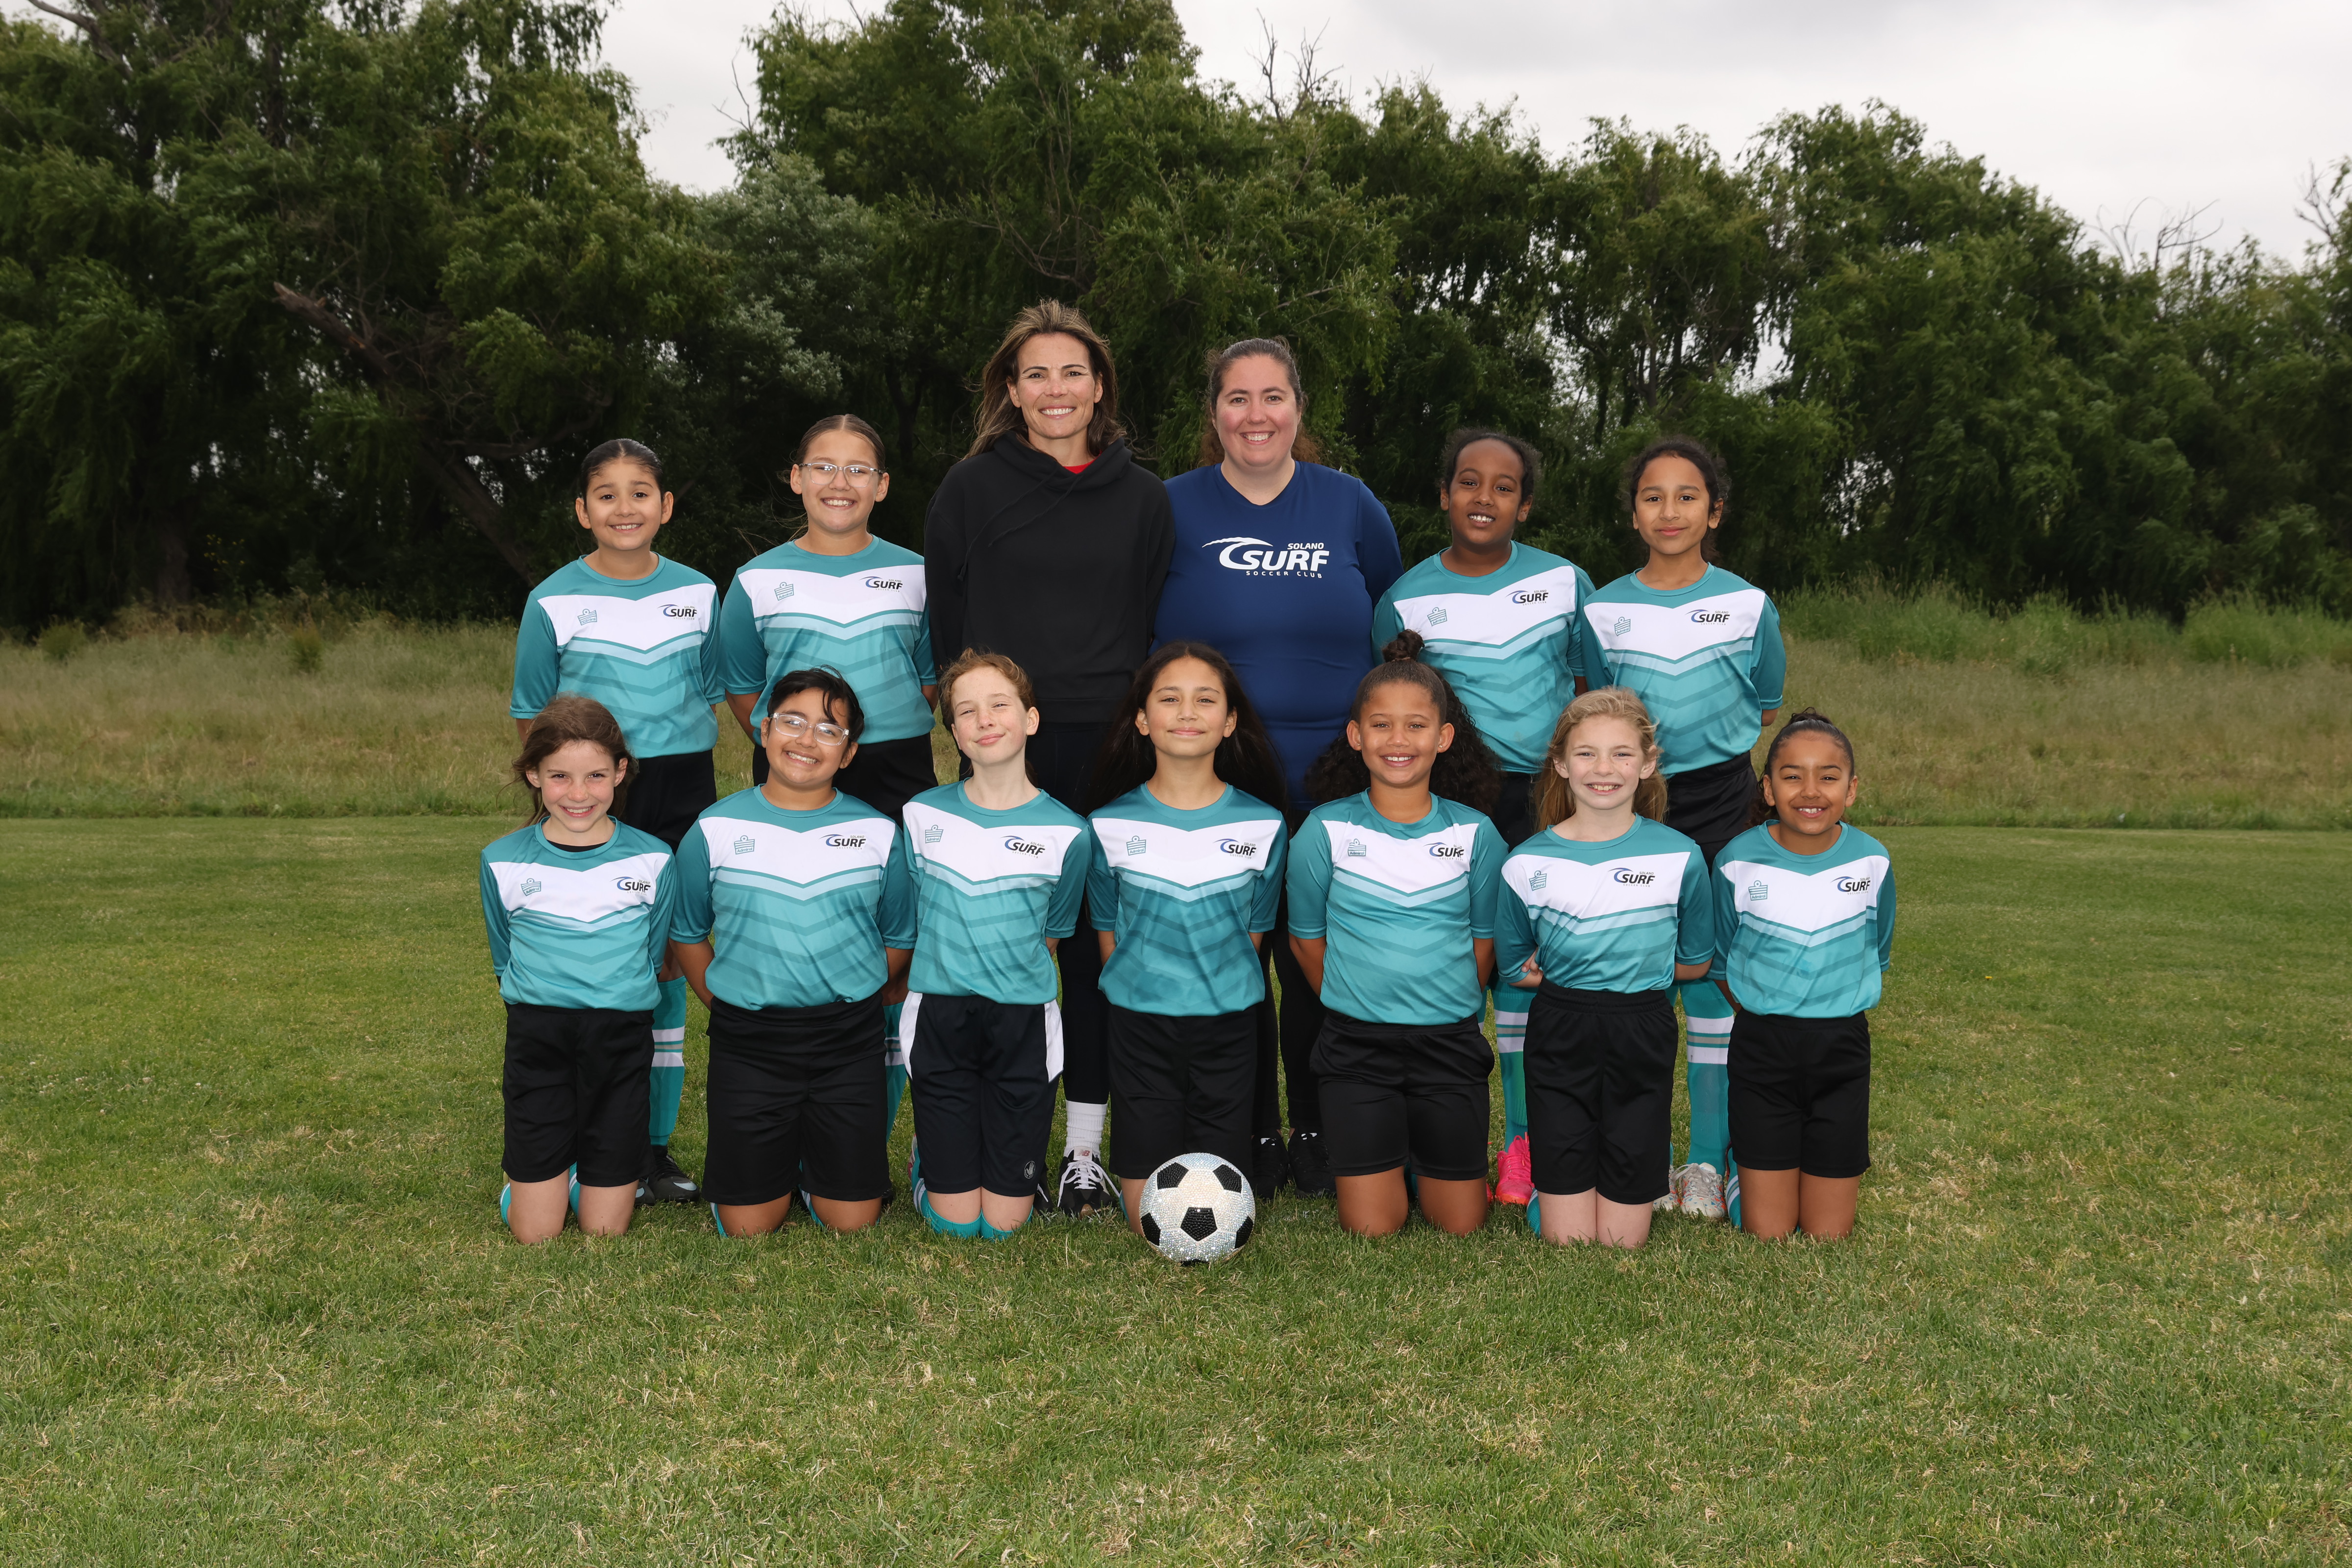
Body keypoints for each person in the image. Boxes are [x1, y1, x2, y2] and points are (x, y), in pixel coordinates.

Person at [924, 301, 1175, 1219]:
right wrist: (983, 723)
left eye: (1073, 372)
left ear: (1100, 387)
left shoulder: (1144, 497)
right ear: (1011, 389)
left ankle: (1083, 1153)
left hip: (1109, 747)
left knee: (1095, 950)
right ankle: (971, 1135)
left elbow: (1153, 621)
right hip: (1004, 748)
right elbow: (949, 634)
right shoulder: (969, 489)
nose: (1056, 389)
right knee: (992, 946)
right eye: (1036, 374)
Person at [1155, 338, 1402, 1201]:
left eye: (1273, 397)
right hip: (1215, 780)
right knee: (1233, 961)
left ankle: (1322, 1129)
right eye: (1237, 398)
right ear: (1213, 412)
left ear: (1299, 409)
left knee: (1316, 958)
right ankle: (1249, 1129)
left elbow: (1395, 634)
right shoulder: (1170, 507)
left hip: (1337, 782)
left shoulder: (1351, 506)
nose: (1255, 415)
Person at [1371, 429, 1597, 1209]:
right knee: (1453, 964)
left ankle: (1528, 1147)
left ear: (1524, 506)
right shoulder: (1404, 598)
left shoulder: (1566, 582)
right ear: (1445, 494)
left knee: (1532, 971)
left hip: (1545, 799)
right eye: (1469, 481)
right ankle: (1434, 1138)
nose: (1484, 497)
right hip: (1454, 803)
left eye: (1505, 487)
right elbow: (1397, 708)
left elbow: (1589, 689)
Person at [509, 439, 723, 1208]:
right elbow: (534, 717)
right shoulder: (552, 599)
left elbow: (720, 688)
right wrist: (563, 796)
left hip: (683, 790)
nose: (624, 508)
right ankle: (582, 1140)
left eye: (641, 493)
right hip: (597, 791)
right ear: (582, 511)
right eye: (607, 494)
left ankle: (650, 1150)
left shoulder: (699, 592)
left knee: (669, 965)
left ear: (666, 507)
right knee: (602, 958)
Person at [1580, 437, 1786, 1223]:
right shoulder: (1602, 608)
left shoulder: (1749, 605)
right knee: (1638, 978)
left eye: (1688, 496)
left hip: (1724, 803)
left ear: (1715, 511)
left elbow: (1763, 704)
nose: (1670, 511)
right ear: (1634, 515)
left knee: (1713, 979)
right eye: (1653, 496)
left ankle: (1706, 1161)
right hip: (1633, 804)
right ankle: (1640, 1152)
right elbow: (1599, 708)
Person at [718, 414, 936, 1128]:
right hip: (797, 770)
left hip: (896, 769)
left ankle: (872, 1125)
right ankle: (795, 1103)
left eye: (858, 469)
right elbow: (745, 688)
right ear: (797, 478)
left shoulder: (918, 573)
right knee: (805, 924)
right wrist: (806, 747)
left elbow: (929, 678)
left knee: (898, 938)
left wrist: (873, 735)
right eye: (823, 466)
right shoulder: (756, 579)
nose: (840, 482)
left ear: (882, 485)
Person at [668, 669, 914, 1237]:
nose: (807, 740)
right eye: (793, 721)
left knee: (852, 1221)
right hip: (749, 1042)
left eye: (829, 730)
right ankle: (778, 1163)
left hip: (847, 1039)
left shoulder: (878, 833)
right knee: (748, 1227)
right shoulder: (715, 827)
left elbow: (899, 934)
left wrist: (856, 989)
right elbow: (687, 930)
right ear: (764, 729)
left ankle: (811, 1166)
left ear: (849, 752)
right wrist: (724, 1001)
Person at [1286, 635, 1505, 1238]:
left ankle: (1417, 1152)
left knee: (1460, 1225)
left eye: (1416, 725)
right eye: (1381, 724)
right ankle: (1387, 1150)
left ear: (1444, 736)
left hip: (1449, 1045)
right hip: (1357, 1050)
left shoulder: (1476, 834)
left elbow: (1484, 942)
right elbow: (1306, 939)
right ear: (1356, 735)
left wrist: (1444, 1001)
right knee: (1373, 1228)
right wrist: (1355, 1001)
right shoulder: (1325, 830)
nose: (1398, 740)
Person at [1496, 689, 1715, 1249]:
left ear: (1647, 764)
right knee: (1568, 1239)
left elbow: (1695, 962)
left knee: (1622, 1241)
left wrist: (1630, 970)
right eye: (1586, 753)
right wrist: (1571, 979)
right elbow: (1514, 965)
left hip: (1642, 1024)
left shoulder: (1681, 856)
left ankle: (1635, 1171)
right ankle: (1545, 1176)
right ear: (1561, 764)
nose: (1604, 769)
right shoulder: (1526, 862)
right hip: (1560, 1024)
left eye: (1621, 754)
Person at [1083, 642, 1289, 1229]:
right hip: (1140, 1025)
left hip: (1229, 1024)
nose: (1187, 712)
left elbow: (1256, 932)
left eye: (1205, 699)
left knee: (1221, 1199)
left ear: (1229, 721)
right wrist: (1141, 989)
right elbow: (1107, 928)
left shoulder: (1265, 824)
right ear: (1142, 719)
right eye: (1169, 698)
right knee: (1144, 1215)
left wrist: (1213, 989)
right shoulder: (1108, 824)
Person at [899, 651, 1089, 1239]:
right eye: (967, 711)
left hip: (1022, 1021)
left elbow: (1053, 932)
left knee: (1005, 1226)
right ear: (956, 733)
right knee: (958, 1227)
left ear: (1030, 719)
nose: (985, 719)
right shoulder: (921, 815)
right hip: (939, 1016)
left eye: (999, 704)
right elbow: (911, 916)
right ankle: (927, 1160)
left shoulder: (1069, 832)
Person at [480, 696, 678, 1244]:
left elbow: (651, 954)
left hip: (620, 1038)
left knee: (604, 1230)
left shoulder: (654, 858)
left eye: (595, 775)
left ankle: (582, 1176)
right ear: (534, 775)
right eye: (560, 776)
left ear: (620, 772)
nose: (578, 793)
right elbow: (504, 955)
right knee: (535, 1234)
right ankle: (536, 1183)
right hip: (538, 1038)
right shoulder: (502, 859)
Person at [1713, 711, 1894, 1241]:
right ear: (1768, 789)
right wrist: (1766, 1008)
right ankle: (1741, 1173)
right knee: (1768, 1232)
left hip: (1841, 1049)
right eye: (1792, 776)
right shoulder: (1737, 861)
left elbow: (1878, 950)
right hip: (1762, 1048)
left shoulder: (1872, 862)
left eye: (1828, 776)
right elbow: (1723, 960)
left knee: (1826, 1235)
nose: (1810, 790)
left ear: (1851, 789)